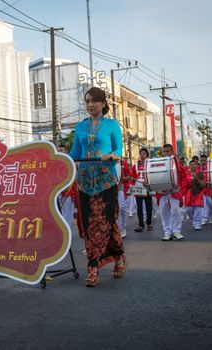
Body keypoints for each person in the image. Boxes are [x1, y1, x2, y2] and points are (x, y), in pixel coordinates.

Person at [69, 86, 125, 287]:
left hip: (106, 181)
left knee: (106, 224)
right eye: (87, 101)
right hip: (84, 183)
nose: (90, 105)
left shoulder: (112, 125)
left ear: (103, 103)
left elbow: (118, 148)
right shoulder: (80, 127)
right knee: (90, 225)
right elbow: (75, 152)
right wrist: (58, 160)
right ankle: (101, 264)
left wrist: (113, 155)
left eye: (94, 101)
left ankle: (106, 262)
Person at [156, 144, 186, 241]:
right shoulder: (158, 162)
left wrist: (180, 186)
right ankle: (167, 232)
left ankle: (176, 231)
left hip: (174, 191)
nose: (165, 153)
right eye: (164, 151)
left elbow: (182, 175)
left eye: (168, 151)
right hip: (162, 192)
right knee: (164, 212)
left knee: (175, 211)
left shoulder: (176, 163)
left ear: (172, 152)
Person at [131, 148, 154, 232]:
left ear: (147, 155)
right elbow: (132, 177)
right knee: (139, 207)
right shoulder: (135, 165)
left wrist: (148, 181)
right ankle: (141, 225)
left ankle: (149, 223)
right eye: (141, 153)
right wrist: (132, 184)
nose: (142, 155)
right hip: (138, 188)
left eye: (144, 153)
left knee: (149, 207)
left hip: (147, 187)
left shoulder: (151, 165)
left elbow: (153, 175)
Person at [183, 160, 205, 230]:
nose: (193, 166)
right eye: (191, 164)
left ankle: (197, 223)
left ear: (197, 165)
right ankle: (194, 220)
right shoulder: (186, 174)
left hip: (198, 193)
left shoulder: (201, 174)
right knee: (188, 209)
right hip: (188, 194)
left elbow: (204, 183)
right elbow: (183, 184)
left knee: (198, 209)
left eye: (194, 164)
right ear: (189, 166)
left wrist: (200, 182)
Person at [200, 154, 212, 225]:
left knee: (211, 204)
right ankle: (204, 219)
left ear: (207, 161)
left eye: (204, 160)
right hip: (201, 190)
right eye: (201, 160)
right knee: (203, 205)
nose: (202, 162)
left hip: (209, 189)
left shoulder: (210, 168)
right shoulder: (198, 168)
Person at [118, 158, 132, 238]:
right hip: (108, 188)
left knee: (122, 207)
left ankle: (122, 227)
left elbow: (129, 175)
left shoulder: (122, 162)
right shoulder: (105, 160)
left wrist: (126, 178)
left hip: (120, 188)